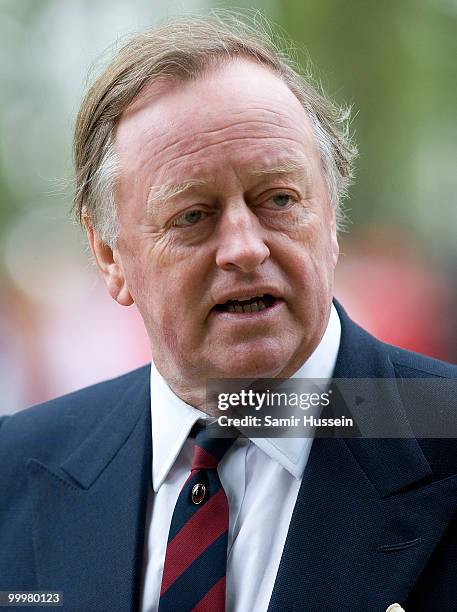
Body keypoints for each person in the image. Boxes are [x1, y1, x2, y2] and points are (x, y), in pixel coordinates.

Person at [1, 12, 457, 612]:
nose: (245, 247)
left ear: (332, 219)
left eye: (280, 200)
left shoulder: (441, 433)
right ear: (110, 255)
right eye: (193, 215)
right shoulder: (20, 467)